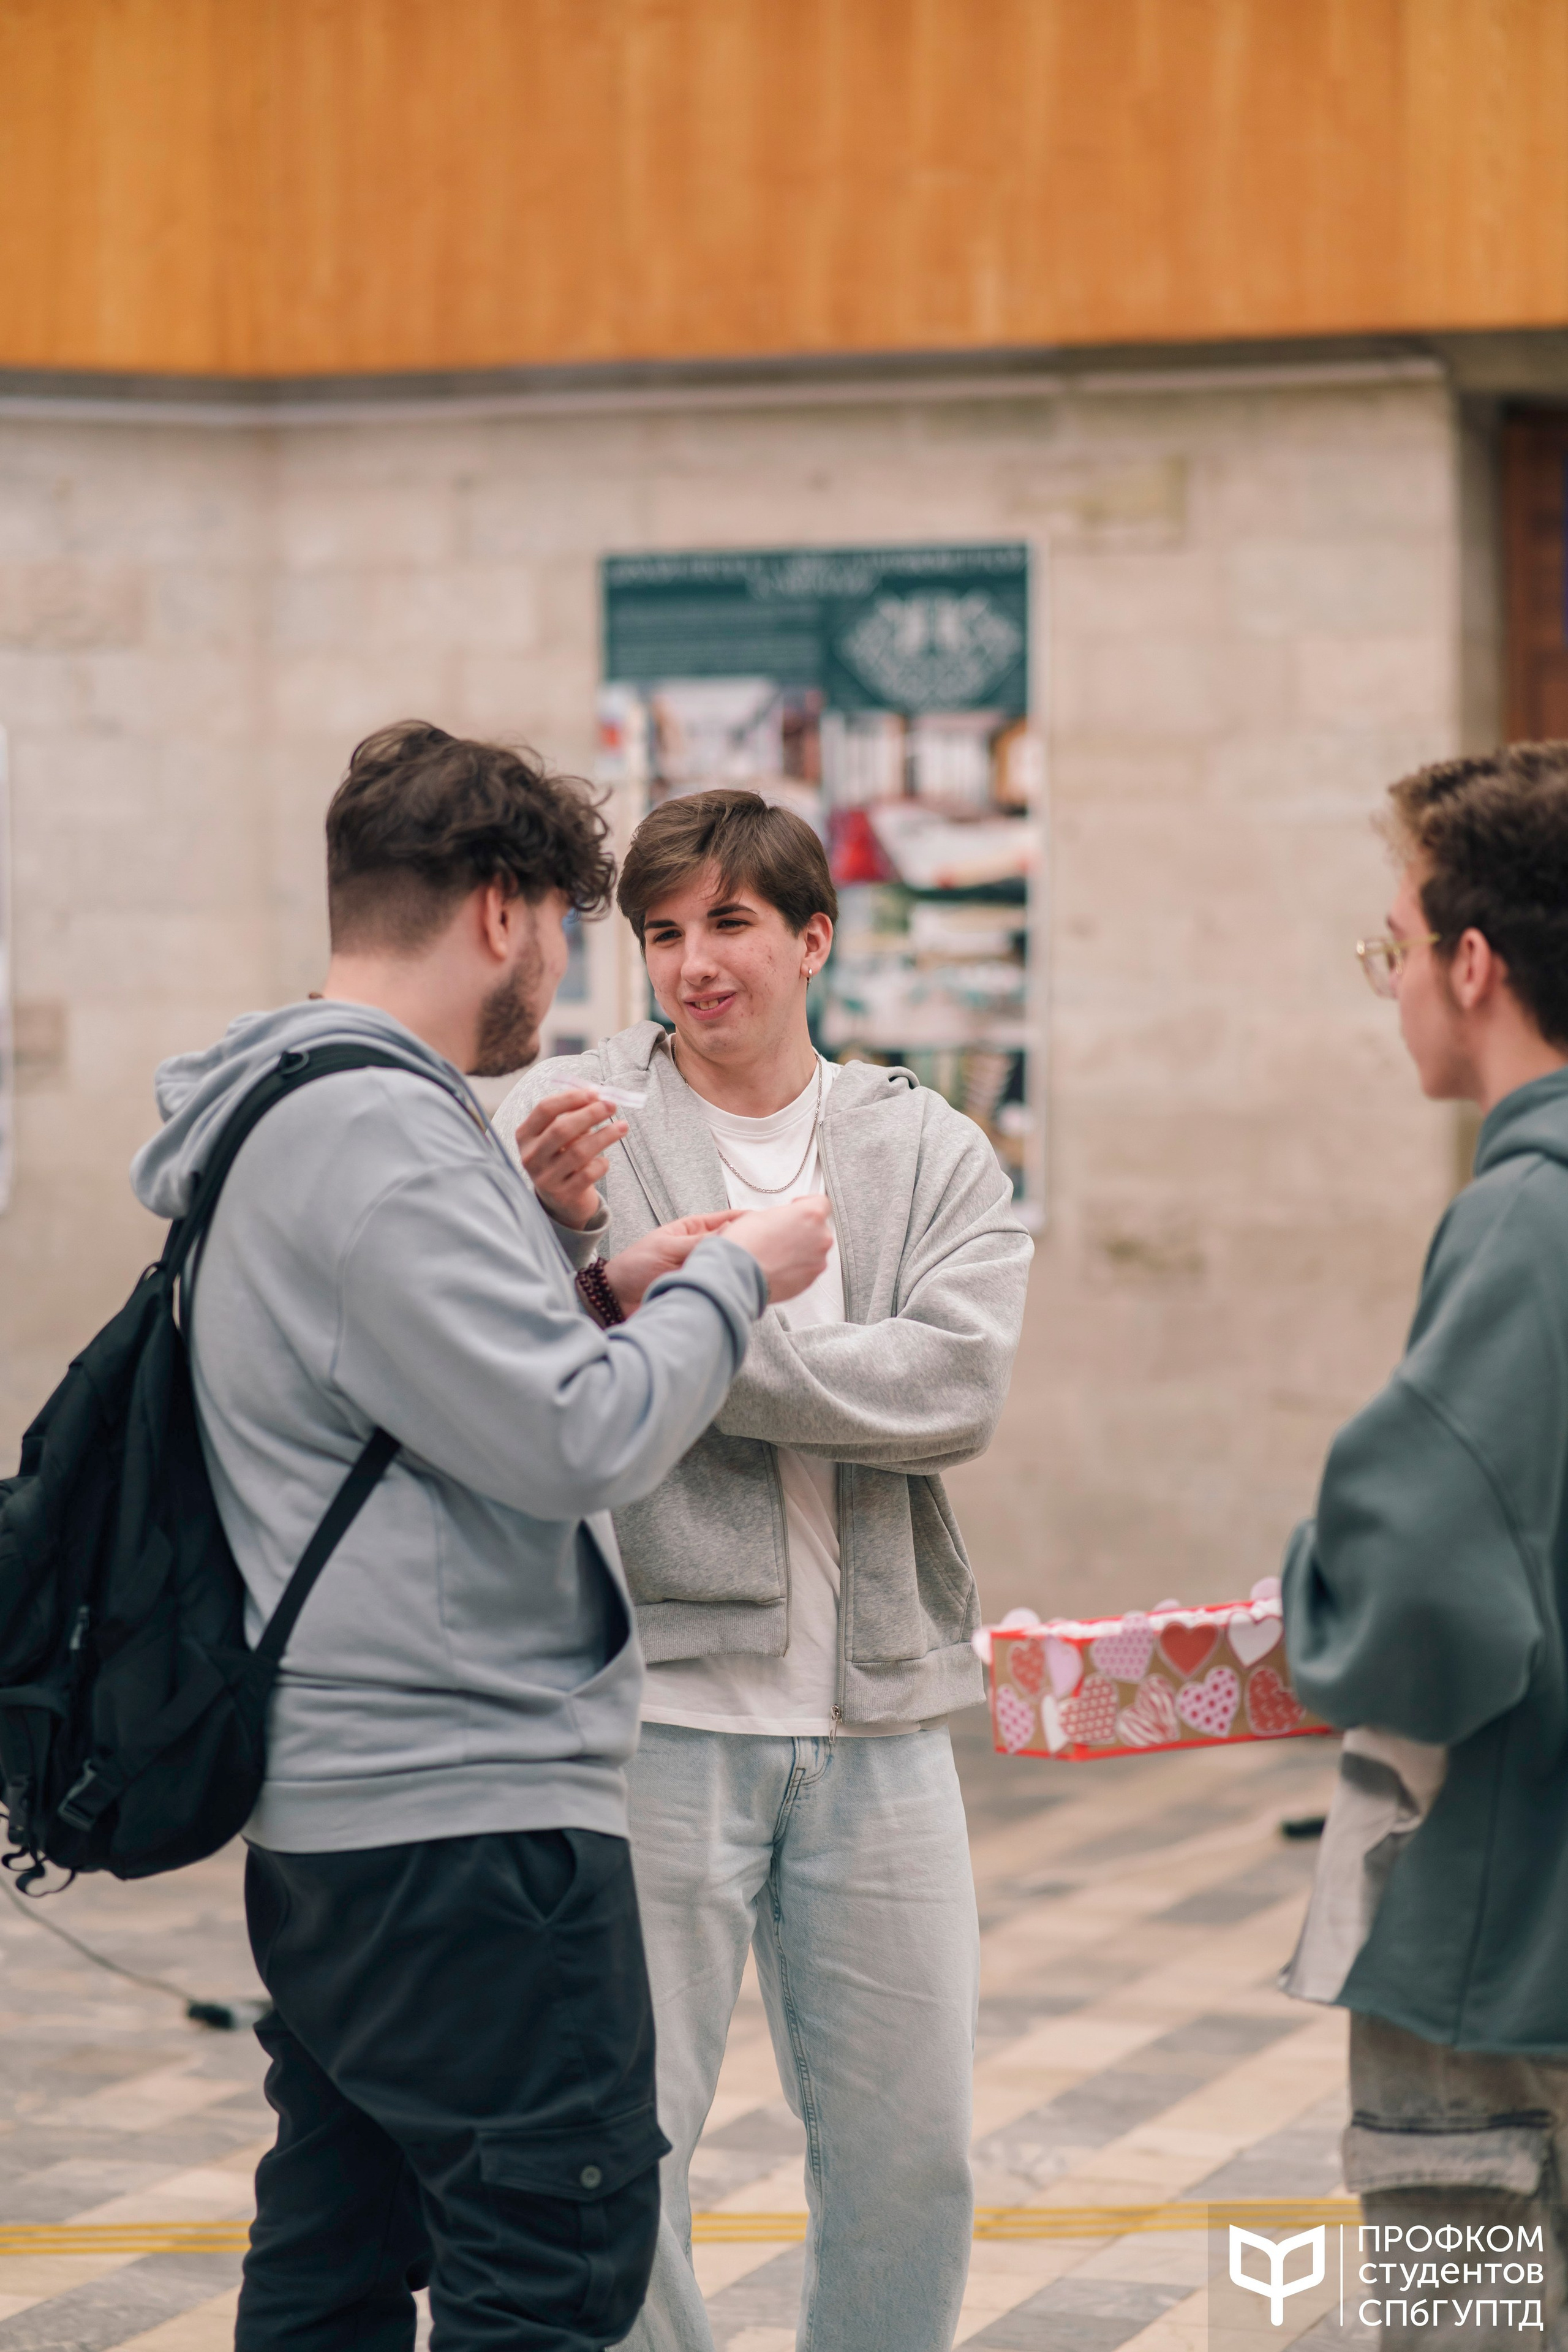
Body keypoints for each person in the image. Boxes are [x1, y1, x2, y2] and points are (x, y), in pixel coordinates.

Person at [129, 724, 832, 2352]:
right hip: (463, 1825)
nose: (573, 976)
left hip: (355, 1814)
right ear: (504, 911)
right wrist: (740, 1278)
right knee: (551, 2259)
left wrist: (597, 1288)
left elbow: (401, 1388)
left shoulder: (285, 1098)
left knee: (340, 2248)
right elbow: (581, 1438)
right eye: (584, 928)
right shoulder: (377, 1124)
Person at [497, 787, 1033, 2352]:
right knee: (625, 2157)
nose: (689, 963)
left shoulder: (922, 1142)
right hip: (653, 1709)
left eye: (727, 923)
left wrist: (680, 1313)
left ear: (812, 936)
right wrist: (584, 1259)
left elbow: (955, 1394)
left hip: (880, 1719)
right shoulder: (577, 1120)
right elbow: (514, 1365)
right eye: (660, 932)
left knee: (910, 2156)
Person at [1281, 744, 1568, 2351]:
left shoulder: (1524, 1216)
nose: (1389, 983)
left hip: (1498, 1947)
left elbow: (1414, 1603)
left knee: (1471, 2324)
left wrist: (1300, 1598)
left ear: (1476, 963)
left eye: (1395, 943)